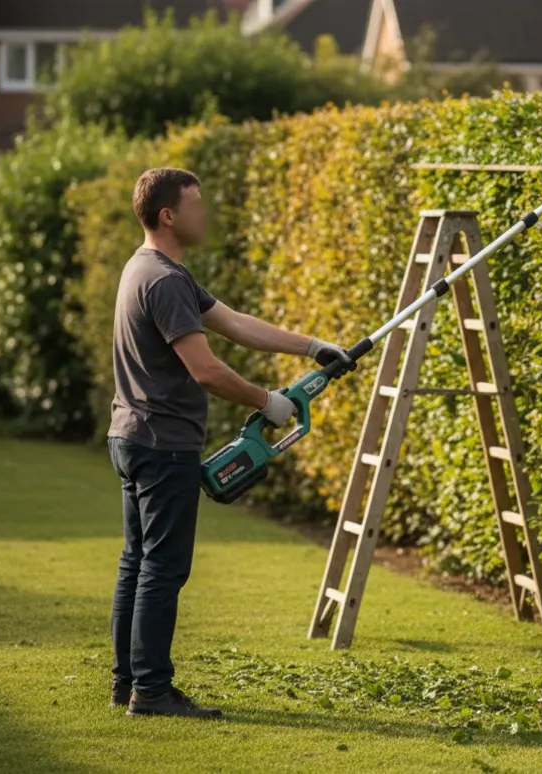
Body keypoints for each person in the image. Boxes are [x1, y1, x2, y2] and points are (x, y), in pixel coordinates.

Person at [106, 167, 352, 718]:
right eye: (196, 204)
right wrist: (268, 402)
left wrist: (312, 347)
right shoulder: (166, 281)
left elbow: (235, 324)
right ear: (168, 214)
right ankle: (150, 691)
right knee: (161, 569)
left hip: (131, 435)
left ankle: (128, 683)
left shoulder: (148, 267)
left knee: (137, 563)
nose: (204, 213)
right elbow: (207, 370)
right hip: (162, 442)